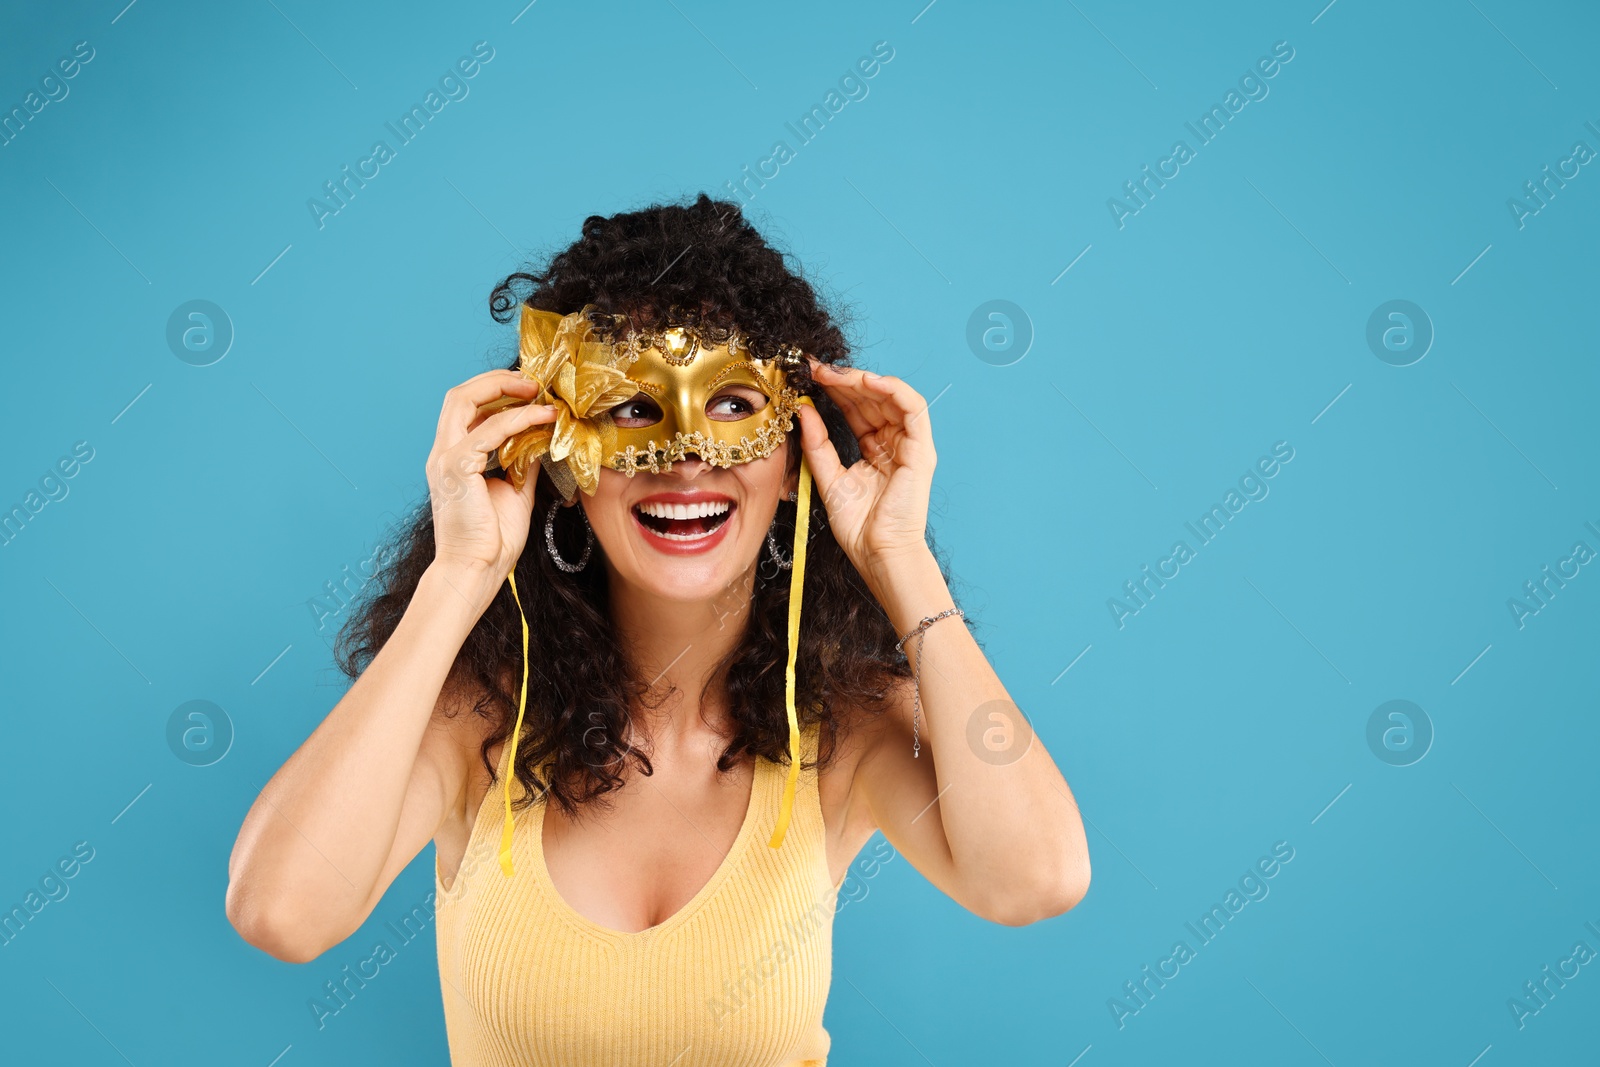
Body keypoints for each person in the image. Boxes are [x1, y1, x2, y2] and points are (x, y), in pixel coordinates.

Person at [225, 194, 1090, 1065]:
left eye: (733, 405)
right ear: (561, 459)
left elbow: (1036, 878)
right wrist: (459, 577)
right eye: (633, 407)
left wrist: (900, 558)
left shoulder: (843, 726)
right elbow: (281, 911)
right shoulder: (478, 725)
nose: (687, 453)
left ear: (796, 455)